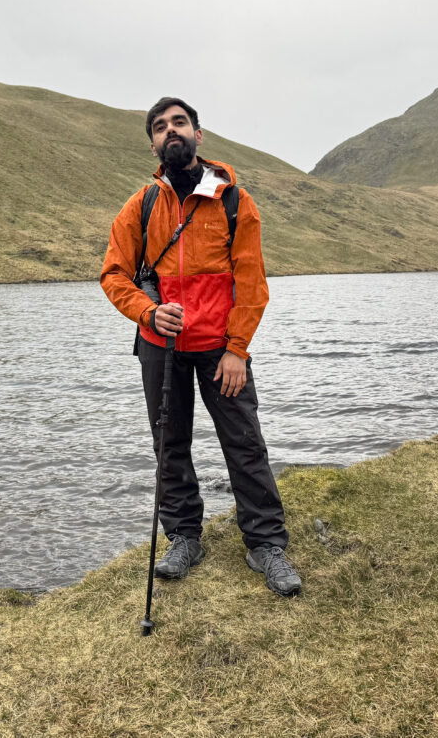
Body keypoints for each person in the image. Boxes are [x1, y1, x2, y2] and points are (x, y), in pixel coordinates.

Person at [100, 97, 301, 597]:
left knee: (245, 443)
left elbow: (251, 283)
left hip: (220, 349)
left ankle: (265, 544)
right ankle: (184, 538)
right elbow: (113, 275)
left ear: (198, 134)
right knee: (170, 447)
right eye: (161, 126)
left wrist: (237, 349)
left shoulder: (235, 201)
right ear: (152, 142)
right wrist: (147, 311)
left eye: (180, 123)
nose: (171, 131)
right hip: (159, 345)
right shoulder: (141, 205)